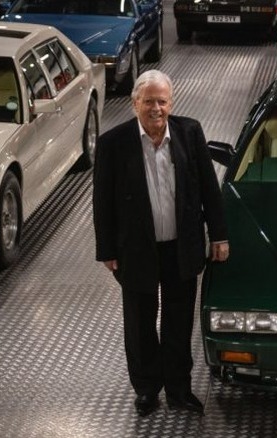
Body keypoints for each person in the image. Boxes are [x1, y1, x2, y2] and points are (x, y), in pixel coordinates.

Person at [92, 69, 229, 417]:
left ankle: (179, 389)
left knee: (178, 323)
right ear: (135, 103)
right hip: (135, 251)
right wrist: (106, 250)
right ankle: (147, 389)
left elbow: (209, 190)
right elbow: (102, 200)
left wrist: (219, 234)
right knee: (139, 324)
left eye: (162, 101)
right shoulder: (113, 143)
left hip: (180, 248)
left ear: (172, 103)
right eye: (149, 101)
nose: (156, 108)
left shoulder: (189, 132)